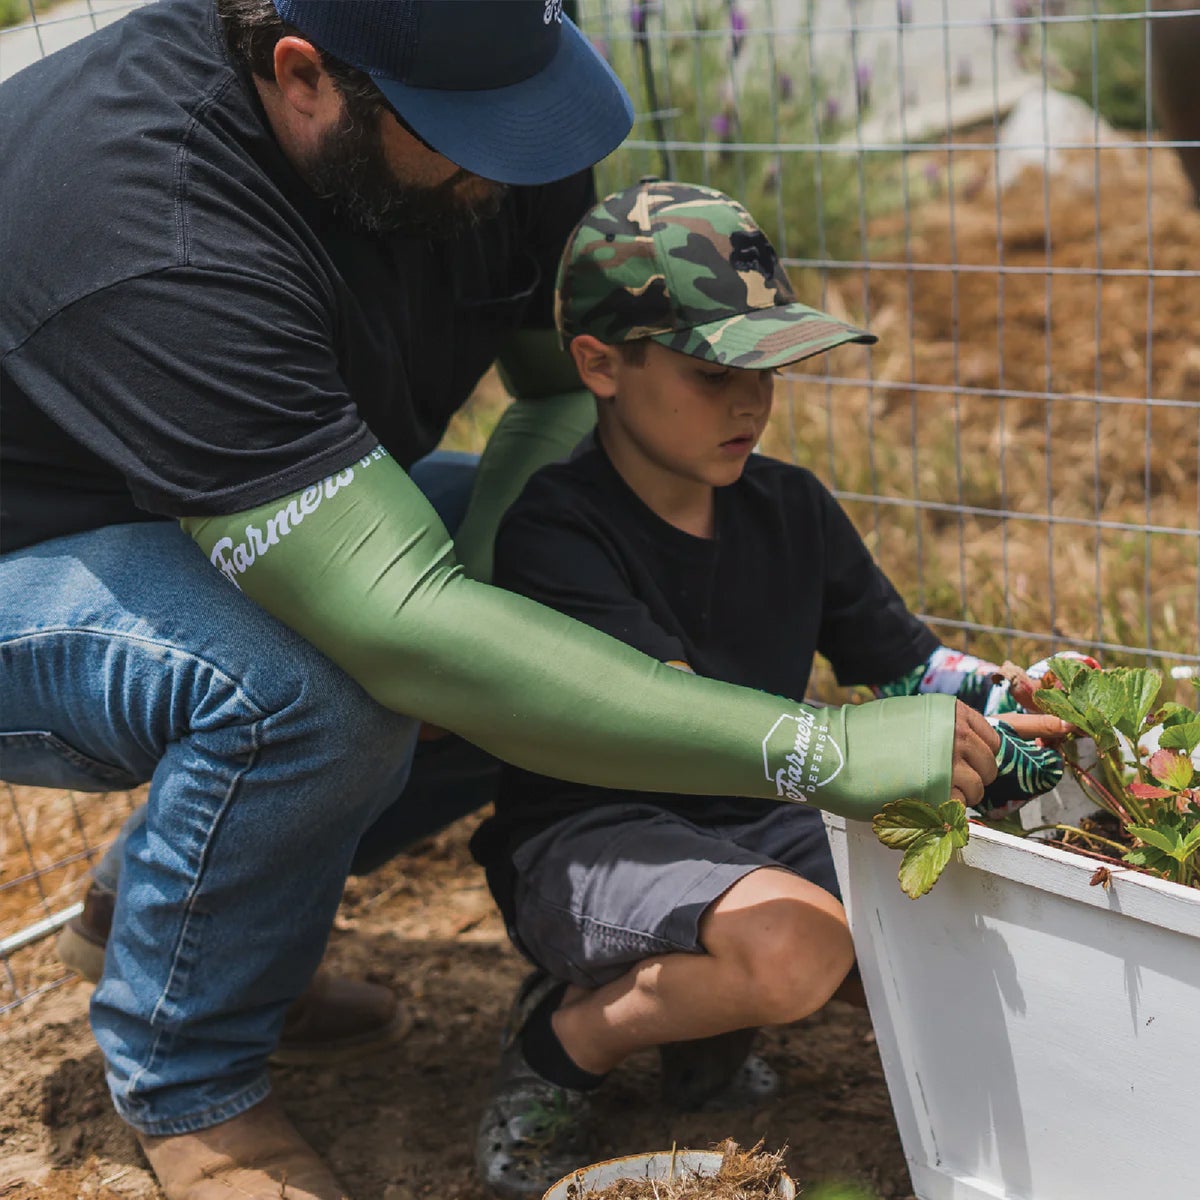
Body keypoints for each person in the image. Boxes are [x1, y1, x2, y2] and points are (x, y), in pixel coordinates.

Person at [0, 3, 1002, 1196]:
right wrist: (814, 745)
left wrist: (512, 581)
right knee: (315, 688)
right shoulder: (149, 211)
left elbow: (555, 400)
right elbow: (397, 625)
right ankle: (192, 1085)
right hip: (42, 540)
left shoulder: (492, 97)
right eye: (471, 138)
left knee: (552, 596)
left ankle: (191, 906)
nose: (519, 168)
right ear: (305, 78)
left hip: (228, 474)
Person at [467, 180, 1074, 1198]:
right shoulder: (557, 531)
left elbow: (905, 663)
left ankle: (705, 1029)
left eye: (769, 367)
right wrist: (875, 742)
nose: (751, 400)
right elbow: (665, 718)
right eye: (714, 371)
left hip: (755, 824)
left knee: (957, 910)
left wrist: (1020, 708)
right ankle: (562, 1041)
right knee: (799, 947)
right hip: (596, 837)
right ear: (599, 365)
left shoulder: (789, 507)